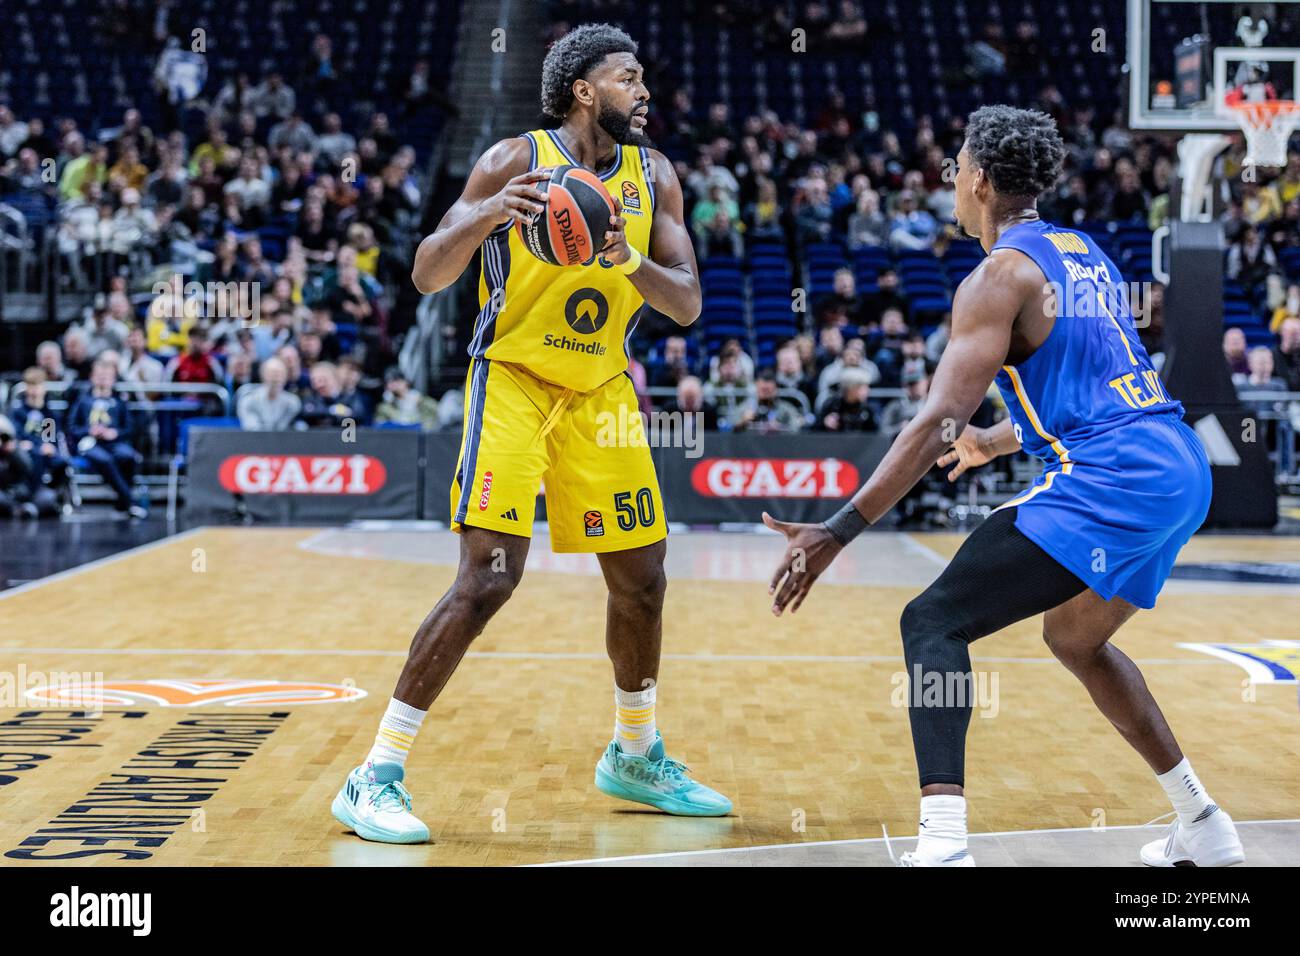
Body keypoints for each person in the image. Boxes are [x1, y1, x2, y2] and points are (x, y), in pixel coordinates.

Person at [763, 106, 1242, 868]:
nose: (952, 180)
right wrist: (999, 436)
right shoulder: (1083, 252)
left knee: (933, 621)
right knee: (1075, 639)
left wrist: (835, 531)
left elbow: (929, 425)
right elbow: (1110, 385)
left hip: (1114, 476)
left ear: (980, 180)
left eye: (956, 167)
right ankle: (1205, 825)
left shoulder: (997, 277)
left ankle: (944, 843)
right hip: (1176, 466)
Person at [331, 23, 729, 845]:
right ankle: (374, 774)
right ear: (584, 89)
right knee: (488, 580)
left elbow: (686, 301)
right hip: (512, 379)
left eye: (643, 77)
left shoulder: (655, 175)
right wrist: (484, 219)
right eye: (629, 78)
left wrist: (630, 263)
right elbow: (427, 271)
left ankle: (636, 751)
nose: (644, 91)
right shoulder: (515, 159)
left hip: (602, 390)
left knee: (644, 579)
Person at [66, 358, 145, 518]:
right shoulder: (83, 401)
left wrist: (114, 433)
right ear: (92, 377)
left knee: (129, 456)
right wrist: (89, 430)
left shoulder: (119, 402)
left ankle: (122, 503)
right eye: (99, 375)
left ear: (113, 379)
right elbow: (72, 428)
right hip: (89, 444)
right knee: (104, 459)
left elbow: (130, 428)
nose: (102, 379)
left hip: (114, 442)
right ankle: (130, 501)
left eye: (106, 376)